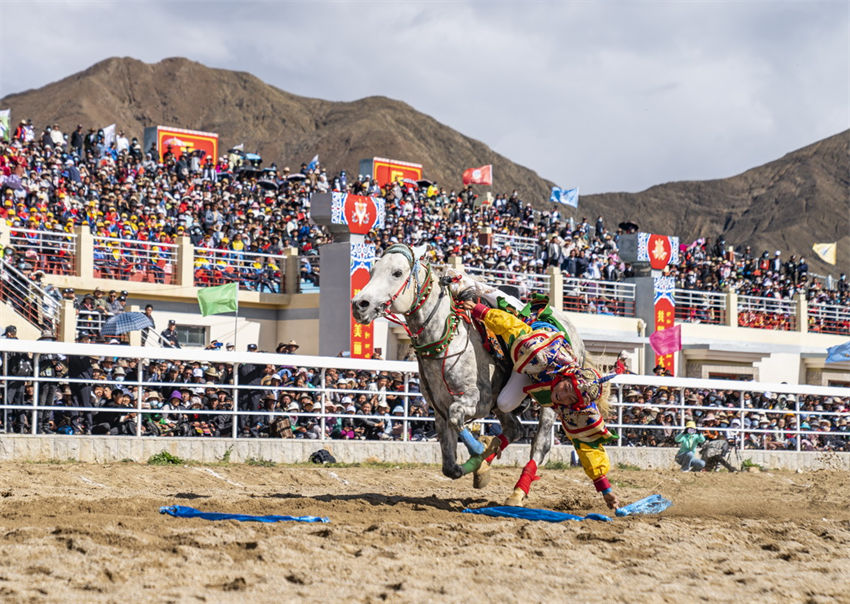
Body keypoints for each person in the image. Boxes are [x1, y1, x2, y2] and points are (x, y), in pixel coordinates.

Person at [461, 299, 619, 510]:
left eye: (570, 399)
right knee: (504, 403)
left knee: (508, 404)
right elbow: (513, 327)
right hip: (532, 352)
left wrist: (604, 487)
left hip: (539, 372)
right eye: (566, 390)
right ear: (567, 378)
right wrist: (482, 310)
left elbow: (586, 445)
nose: (563, 398)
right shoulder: (540, 354)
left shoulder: (573, 404)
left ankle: (521, 486)